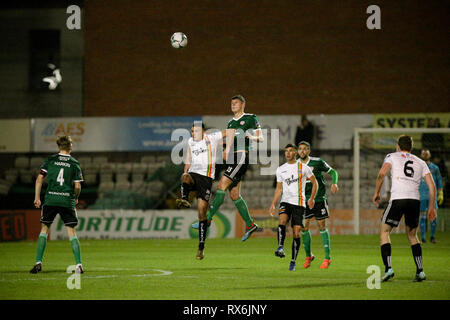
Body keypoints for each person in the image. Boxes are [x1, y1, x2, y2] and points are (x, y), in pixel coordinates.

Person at [192, 95, 264, 242]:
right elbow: (229, 140)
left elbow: (261, 137)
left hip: (242, 157)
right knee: (234, 194)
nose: (233, 105)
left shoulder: (250, 118)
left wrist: (252, 137)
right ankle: (250, 225)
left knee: (221, 185)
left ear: (243, 104)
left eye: (236, 103)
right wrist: (223, 147)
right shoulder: (231, 123)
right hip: (232, 159)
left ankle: (208, 219)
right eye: (231, 103)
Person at [373, 135, 436, 282]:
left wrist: (376, 192)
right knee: (413, 236)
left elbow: (382, 173)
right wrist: (432, 208)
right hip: (414, 200)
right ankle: (420, 271)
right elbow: (431, 186)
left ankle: (388, 269)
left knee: (384, 231)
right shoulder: (420, 162)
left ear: (398, 146)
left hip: (398, 198)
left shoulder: (392, 156)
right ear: (411, 147)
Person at [176, 122, 234, 259]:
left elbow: (230, 131)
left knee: (202, 212)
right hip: (193, 174)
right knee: (184, 176)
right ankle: (184, 198)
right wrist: (186, 172)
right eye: (191, 131)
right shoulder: (190, 142)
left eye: (195, 131)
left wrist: (228, 147)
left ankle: (201, 246)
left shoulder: (211, 138)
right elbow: (188, 159)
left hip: (206, 179)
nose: (192, 133)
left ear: (202, 131)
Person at [30, 136, 84, 274]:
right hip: (66, 200)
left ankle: (38, 263)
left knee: (44, 229)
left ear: (59, 146)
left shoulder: (50, 160)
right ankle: (78, 265)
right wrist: (75, 198)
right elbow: (77, 186)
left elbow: (39, 178)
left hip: (51, 199)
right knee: (71, 231)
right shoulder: (74, 163)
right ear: (70, 146)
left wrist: (37, 197)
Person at [269, 144, 317, 271]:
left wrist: (311, 198)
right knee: (282, 221)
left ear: (295, 152)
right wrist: (273, 203)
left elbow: (314, 182)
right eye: (286, 151)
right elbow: (279, 189)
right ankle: (280, 247)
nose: (288, 153)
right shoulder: (280, 169)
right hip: (285, 201)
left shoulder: (304, 168)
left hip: (299, 203)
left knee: (296, 232)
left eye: (290, 151)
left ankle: (293, 261)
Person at [297, 141, 339, 269]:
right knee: (304, 228)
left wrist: (334, 183)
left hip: (319, 199)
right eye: (300, 149)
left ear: (309, 151)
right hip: (304, 201)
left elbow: (333, 172)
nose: (302, 151)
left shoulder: (317, 162)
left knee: (321, 226)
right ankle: (308, 256)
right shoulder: (295, 165)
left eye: (305, 149)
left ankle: (327, 258)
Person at [419, 149, 443, 243]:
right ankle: (423, 238)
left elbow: (439, 181)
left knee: (433, 217)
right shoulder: (418, 167)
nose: (425, 154)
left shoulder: (435, 168)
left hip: (432, 196)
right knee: (422, 218)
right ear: (421, 155)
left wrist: (441, 193)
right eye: (423, 153)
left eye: (426, 153)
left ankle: (432, 237)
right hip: (421, 196)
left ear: (430, 154)